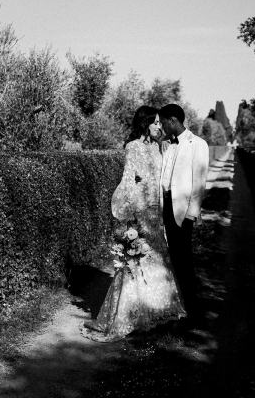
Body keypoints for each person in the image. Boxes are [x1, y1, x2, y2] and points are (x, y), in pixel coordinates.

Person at [81, 105, 186, 342]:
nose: (159, 126)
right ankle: (132, 314)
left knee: (158, 259)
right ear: (144, 123)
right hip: (141, 211)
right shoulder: (133, 147)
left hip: (156, 212)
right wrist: (128, 215)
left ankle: (157, 309)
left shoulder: (160, 147)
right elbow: (128, 180)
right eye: (155, 122)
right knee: (137, 260)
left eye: (161, 122)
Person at [158, 103, 210, 318]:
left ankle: (194, 310)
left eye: (162, 122)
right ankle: (178, 307)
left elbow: (199, 183)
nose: (161, 127)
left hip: (183, 211)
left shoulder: (198, 144)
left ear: (172, 120)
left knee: (185, 260)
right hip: (167, 207)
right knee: (173, 258)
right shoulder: (167, 145)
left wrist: (191, 214)